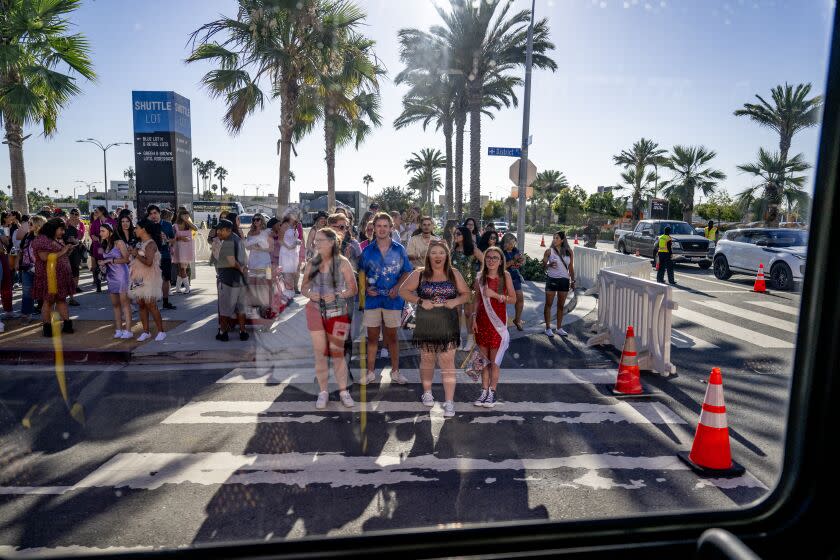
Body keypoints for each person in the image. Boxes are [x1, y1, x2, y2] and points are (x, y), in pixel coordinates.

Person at [399, 240, 470, 417]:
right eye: (434, 252)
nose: (438, 256)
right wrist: (421, 301)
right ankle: (427, 392)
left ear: (447, 256)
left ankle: (449, 402)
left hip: (448, 323)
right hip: (426, 322)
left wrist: (456, 301)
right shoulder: (420, 274)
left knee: (447, 362)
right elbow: (403, 291)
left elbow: (467, 294)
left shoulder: (454, 274)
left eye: (441, 252)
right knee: (427, 359)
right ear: (428, 256)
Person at [301, 226, 359, 409]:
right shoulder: (312, 263)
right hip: (314, 312)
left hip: (338, 313)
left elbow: (353, 289)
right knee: (320, 354)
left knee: (338, 353)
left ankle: (343, 392)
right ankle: (323, 392)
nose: (316, 243)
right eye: (315, 240)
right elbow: (303, 288)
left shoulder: (343, 263)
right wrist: (311, 295)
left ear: (332, 242)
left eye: (320, 240)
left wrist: (338, 294)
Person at [359, 212, 413, 385]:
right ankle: (370, 373)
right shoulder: (367, 251)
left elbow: (407, 270)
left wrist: (398, 287)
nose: (381, 229)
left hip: (393, 300)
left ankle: (396, 372)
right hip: (372, 300)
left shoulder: (399, 249)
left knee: (392, 338)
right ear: (373, 228)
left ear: (391, 228)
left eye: (385, 226)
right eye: (378, 226)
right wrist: (367, 288)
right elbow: (360, 274)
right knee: (372, 338)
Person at [472, 246, 517, 407]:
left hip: (497, 325)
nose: (491, 260)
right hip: (482, 322)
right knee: (483, 361)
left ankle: (492, 392)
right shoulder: (480, 277)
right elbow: (476, 299)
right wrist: (474, 318)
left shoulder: (505, 276)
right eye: (489, 257)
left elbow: (513, 299)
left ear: (500, 261)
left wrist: (496, 296)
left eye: (495, 258)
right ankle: (483, 391)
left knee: (494, 362)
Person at [32, 218, 76, 336]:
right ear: (53, 228)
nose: (63, 232)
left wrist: (67, 250)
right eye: (61, 229)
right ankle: (47, 329)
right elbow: (44, 257)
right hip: (49, 277)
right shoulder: (41, 240)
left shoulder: (52, 238)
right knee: (48, 301)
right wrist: (64, 250)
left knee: (61, 299)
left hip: (59, 276)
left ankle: (67, 325)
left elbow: (58, 253)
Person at [129, 218, 166, 342]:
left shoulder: (151, 244)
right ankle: (146, 331)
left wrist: (136, 254)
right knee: (141, 304)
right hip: (138, 277)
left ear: (143, 229)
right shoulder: (140, 243)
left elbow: (149, 263)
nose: (135, 230)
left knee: (151, 304)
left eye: (137, 228)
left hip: (150, 277)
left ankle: (161, 331)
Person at [214, 219, 249, 341]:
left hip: (228, 280)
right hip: (240, 282)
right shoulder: (237, 239)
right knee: (241, 308)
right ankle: (243, 332)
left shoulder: (228, 241)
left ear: (227, 230)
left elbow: (232, 262)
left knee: (224, 309)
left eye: (220, 230)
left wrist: (241, 269)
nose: (218, 232)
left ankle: (223, 333)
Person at [450, 226, 483, 349]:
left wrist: (478, 277)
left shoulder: (473, 249)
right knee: (457, 312)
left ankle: (470, 339)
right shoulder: (453, 250)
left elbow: (484, 261)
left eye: (458, 233)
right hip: (455, 286)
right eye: (455, 234)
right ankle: (457, 339)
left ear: (465, 235)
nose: (456, 235)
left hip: (470, 286)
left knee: (469, 313)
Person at [98, 223, 132, 339]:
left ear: (110, 232)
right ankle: (118, 329)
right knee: (115, 304)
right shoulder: (103, 244)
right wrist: (103, 266)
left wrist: (109, 261)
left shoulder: (119, 243)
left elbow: (126, 259)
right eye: (100, 231)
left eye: (103, 231)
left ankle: (128, 330)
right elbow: (102, 258)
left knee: (125, 304)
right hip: (110, 276)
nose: (100, 233)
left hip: (122, 275)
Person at [541, 231, 575, 337]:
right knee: (548, 304)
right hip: (552, 280)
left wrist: (573, 281)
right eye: (553, 238)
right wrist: (549, 264)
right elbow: (543, 266)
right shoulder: (549, 251)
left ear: (562, 240)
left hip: (564, 281)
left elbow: (571, 268)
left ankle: (559, 328)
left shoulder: (569, 252)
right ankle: (547, 328)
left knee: (561, 306)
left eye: (557, 238)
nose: (554, 240)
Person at [145, 205, 176, 310]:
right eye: (151, 214)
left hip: (165, 255)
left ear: (159, 213)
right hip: (151, 256)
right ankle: (151, 302)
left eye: (155, 213)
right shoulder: (147, 225)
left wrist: (167, 240)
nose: (153, 215)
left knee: (166, 279)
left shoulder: (167, 224)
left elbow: (173, 240)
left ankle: (166, 302)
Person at [17, 215, 45, 324]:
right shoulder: (27, 236)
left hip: (41, 269)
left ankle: (46, 316)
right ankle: (26, 315)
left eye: (31, 223)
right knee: (27, 292)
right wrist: (17, 262)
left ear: (38, 225)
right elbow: (21, 250)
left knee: (44, 293)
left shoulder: (44, 238)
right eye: (29, 223)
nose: (28, 225)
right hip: (26, 269)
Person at [244, 213, 273, 317]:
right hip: (253, 262)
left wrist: (259, 248)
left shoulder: (267, 232)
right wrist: (251, 246)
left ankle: (265, 311)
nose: (255, 221)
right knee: (253, 286)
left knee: (264, 286)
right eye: (254, 220)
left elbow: (271, 248)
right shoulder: (250, 232)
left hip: (265, 262)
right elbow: (246, 247)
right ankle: (255, 310)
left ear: (262, 220)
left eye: (258, 219)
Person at [501, 232, 526, 331]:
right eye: (511, 243)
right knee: (502, 301)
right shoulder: (500, 252)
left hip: (515, 277)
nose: (513, 245)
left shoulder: (516, 251)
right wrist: (513, 261)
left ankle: (517, 319)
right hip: (503, 279)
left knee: (520, 299)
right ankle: (501, 322)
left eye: (514, 243)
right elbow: (501, 266)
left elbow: (521, 262)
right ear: (505, 243)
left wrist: (521, 261)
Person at [89, 206, 114, 293]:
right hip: (99, 247)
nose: (95, 212)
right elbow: (92, 234)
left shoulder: (111, 221)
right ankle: (98, 286)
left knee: (110, 265)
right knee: (99, 265)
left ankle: (110, 285)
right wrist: (97, 238)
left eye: (96, 211)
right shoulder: (95, 222)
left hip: (110, 246)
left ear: (102, 211)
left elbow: (115, 232)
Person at [63, 209, 85, 305]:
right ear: (69, 214)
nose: (74, 215)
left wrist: (76, 241)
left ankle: (72, 297)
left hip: (76, 252)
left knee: (75, 273)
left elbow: (82, 238)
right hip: (64, 253)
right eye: (72, 213)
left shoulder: (80, 225)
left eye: (76, 214)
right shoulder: (64, 225)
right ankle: (63, 297)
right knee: (65, 274)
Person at [173, 208, 197, 294]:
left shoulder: (189, 225)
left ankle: (177, 288)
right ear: (180, 216)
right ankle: (187, 288)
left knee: (183, 269)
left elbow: (196, 229)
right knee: (183, 269)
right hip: (179, 249)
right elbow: (172, 238)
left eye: (187, 215)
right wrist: (180, 238)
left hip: (188, 248)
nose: (186, 216)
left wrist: (188, 221)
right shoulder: (175, 226)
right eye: (184, 215)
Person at [277, 214, 300, 300]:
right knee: (287, 273)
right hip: (286, 252)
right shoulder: (284, 225)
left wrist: (297, 242)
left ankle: (290, 291)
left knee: (293, 273)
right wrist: (289, 247)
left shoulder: (295, 225)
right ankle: (287, 293)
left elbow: (294, 238)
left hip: (294, 252)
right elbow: (280, 240)